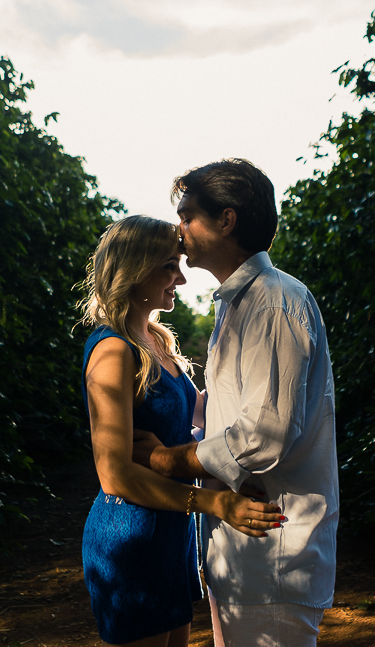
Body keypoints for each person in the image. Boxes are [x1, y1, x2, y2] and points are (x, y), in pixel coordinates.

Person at [134, 160, 339, 647]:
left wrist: (168, 459)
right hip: (241, 548)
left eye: (187, 215)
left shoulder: (273, 303)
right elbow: (234, 415)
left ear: (226, 221)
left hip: (272, 554)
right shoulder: (238, 303)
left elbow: (264, 434)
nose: (177, 230)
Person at [78, 215, 284, 647]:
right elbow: (114, 475)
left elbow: (193, 412)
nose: (181, 278)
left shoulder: (155, 339)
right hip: (131, 539)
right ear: (136, 270)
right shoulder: (113, 350)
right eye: (170, 266)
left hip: (171, 536)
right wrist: (214, 503)